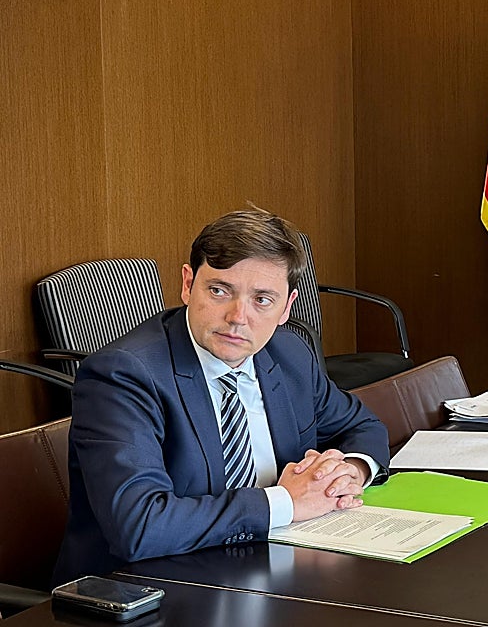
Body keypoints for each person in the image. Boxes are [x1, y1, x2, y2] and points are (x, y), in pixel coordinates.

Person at [54, 208, 390, 583]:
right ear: (187, 284)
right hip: (148, 590)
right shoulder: (123, 374)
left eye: (262, 299)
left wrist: (350, 471)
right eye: (219, 290)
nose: (237, 317)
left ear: (287, 308)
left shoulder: (289, 353)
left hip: (270, 571)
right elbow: (139, 526)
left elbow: (363, 425)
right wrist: (286, 503)